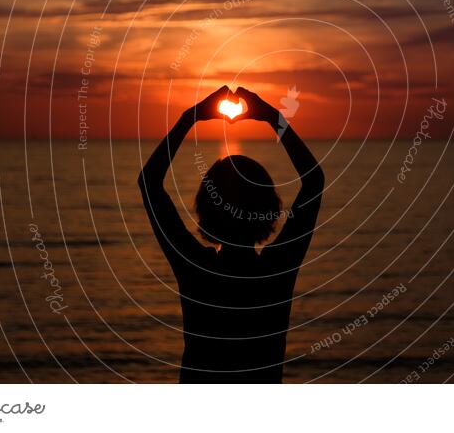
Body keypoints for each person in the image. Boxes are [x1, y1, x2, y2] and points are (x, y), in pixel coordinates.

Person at [138, 86, 325, 383]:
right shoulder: (276, 269)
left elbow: (149, 182)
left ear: (206, 209)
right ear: (267, 208)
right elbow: (314, 181)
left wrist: (191, 118)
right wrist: (273, 117)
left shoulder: (195, 267)